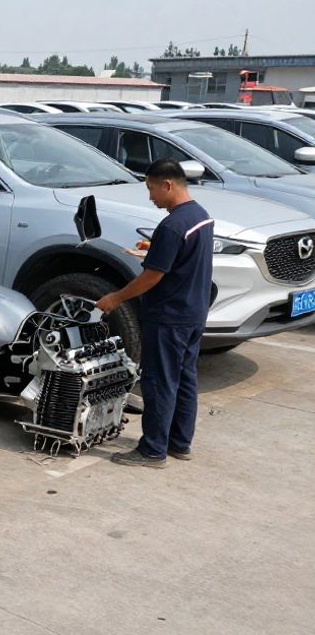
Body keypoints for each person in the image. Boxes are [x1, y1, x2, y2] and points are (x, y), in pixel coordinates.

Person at [96, 159, 213, 468]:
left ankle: (152, 450)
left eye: (151, 189)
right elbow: (184, 257)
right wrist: (154, 245)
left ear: (168, 185)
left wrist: (116, 298)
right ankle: (179, 443)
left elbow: (152, 277)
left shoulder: (173, 225)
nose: (150, 197)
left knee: (160, 382)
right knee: (185, 379)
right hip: (193, 312)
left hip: (169, 316)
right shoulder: (199, 215)